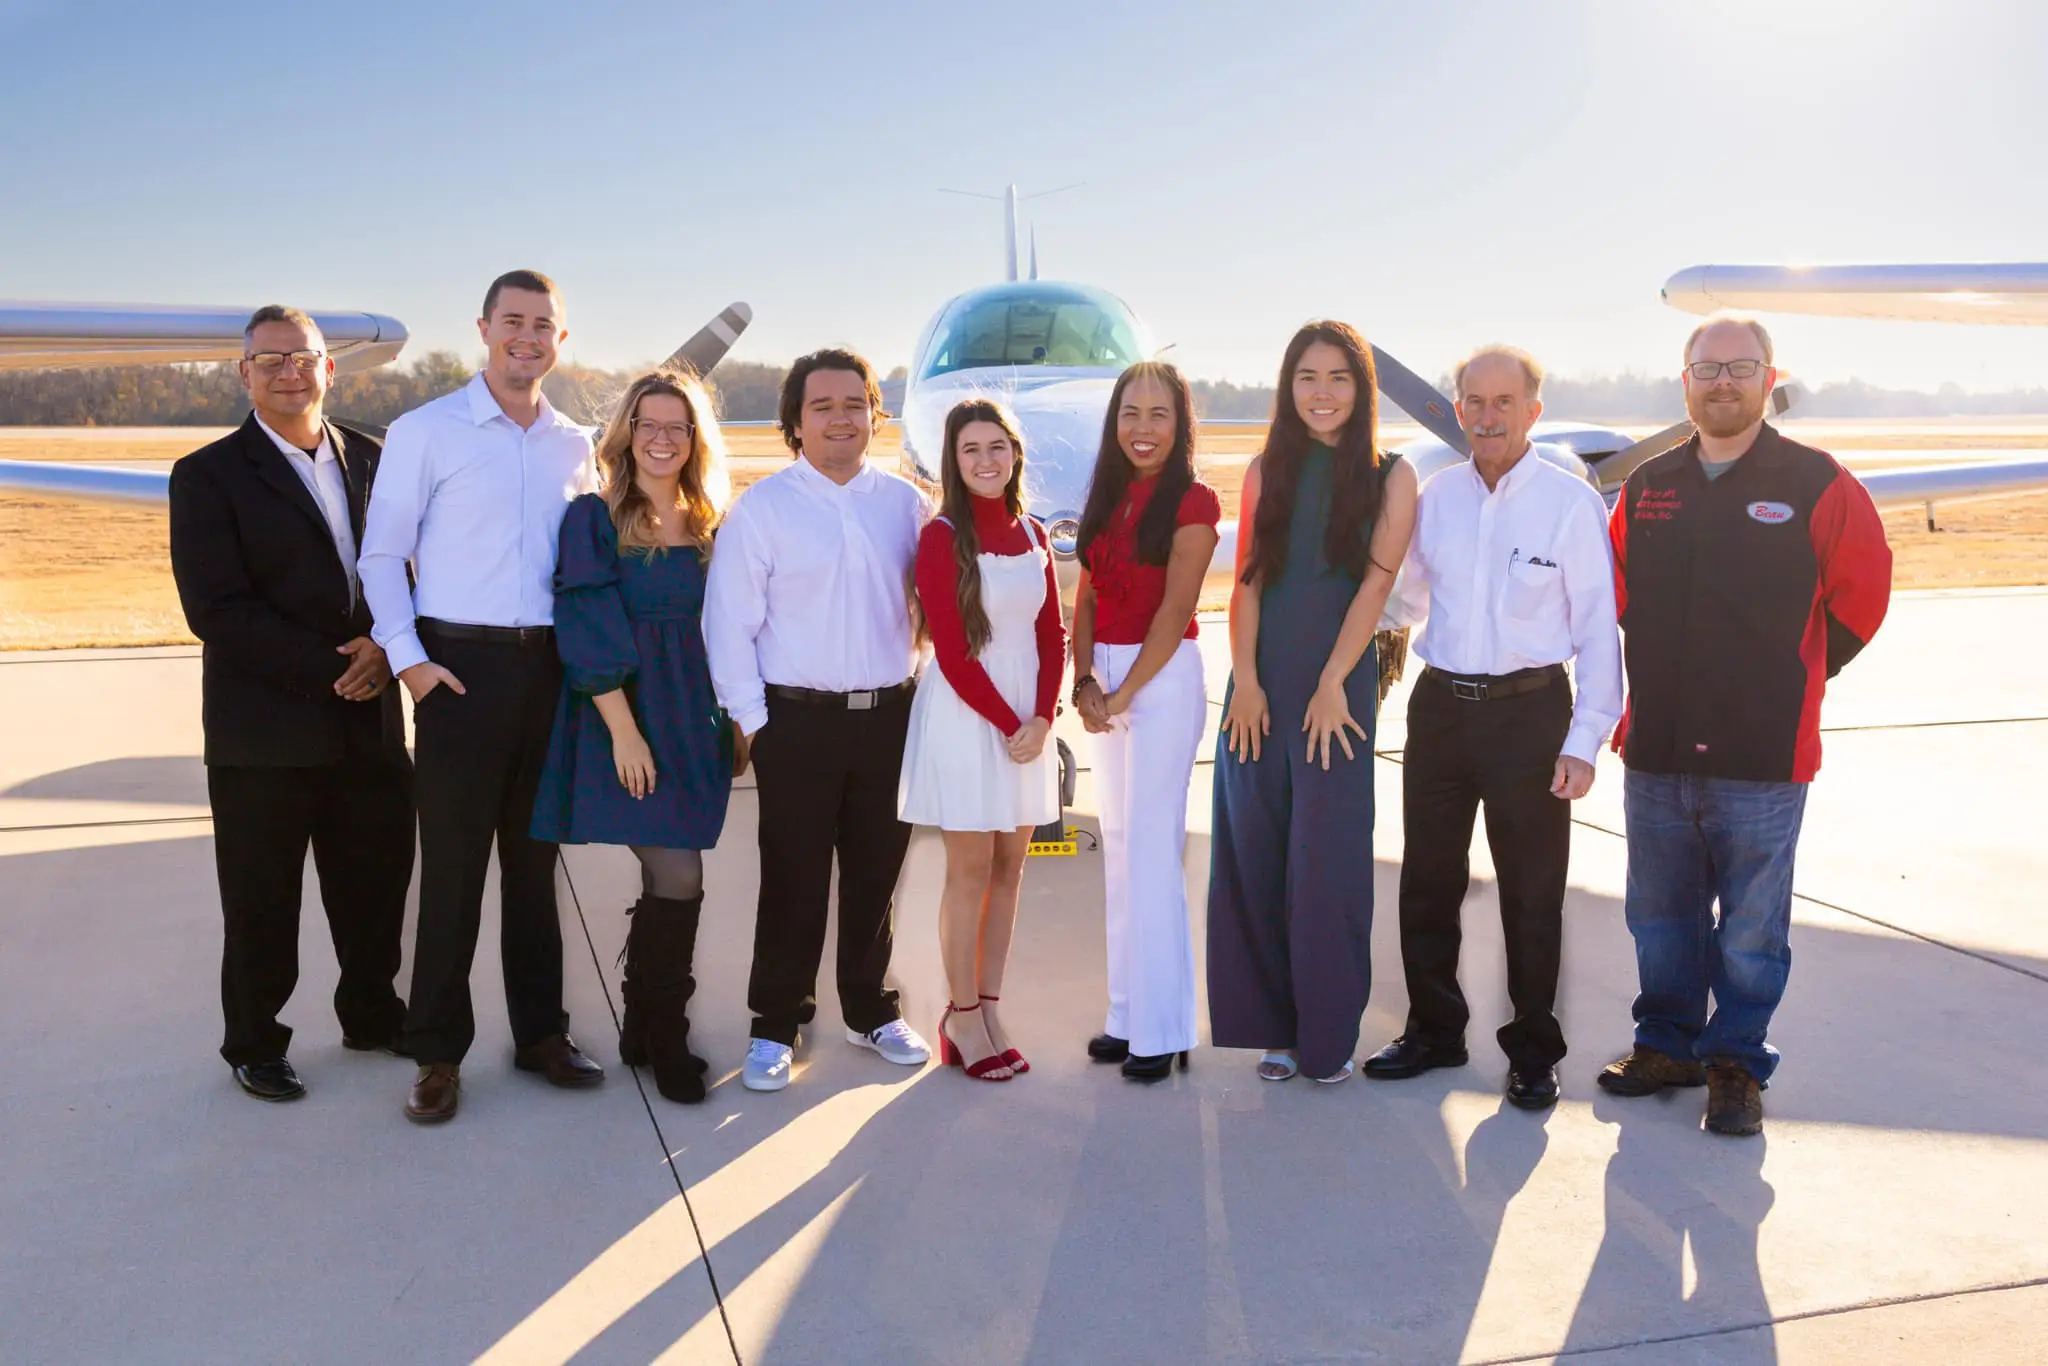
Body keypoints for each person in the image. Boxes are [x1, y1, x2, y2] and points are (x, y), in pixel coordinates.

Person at [1600, 313, 1891, 1137]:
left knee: (1754, 929)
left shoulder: (1818, 482)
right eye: (1707, 368)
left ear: (1770, 378)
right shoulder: (1648, 486)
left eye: (1740, 366)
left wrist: (1794, 676)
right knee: (1660, 915)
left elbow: (1863, 594)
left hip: (1765, 751)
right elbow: (1611, 593)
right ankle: (1665, 1044)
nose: (1722, 381)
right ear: (1684, 381)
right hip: (1657, 745)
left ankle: (1735, 1064)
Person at [358, 270, 602, 1124]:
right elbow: (381, 556)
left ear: (560, 340)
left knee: (535, 870)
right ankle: (436, 1052)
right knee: (454, 874)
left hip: (550, 675)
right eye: (513, 321)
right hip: (457, 671)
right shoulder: (426, 432)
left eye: (543, 325)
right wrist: (410, 663)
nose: (527, 337)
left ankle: (541, 1035)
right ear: (484, 328)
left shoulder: (576, 444)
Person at [1360, 345, 1620, 1109]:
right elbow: (1403, 600)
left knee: (1532, 895)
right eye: (1474, 401)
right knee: (1426, 883)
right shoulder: (1435, 497)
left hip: (1530, 716)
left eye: (1504, 402)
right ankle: (1434, 1031)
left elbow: (1599, 630)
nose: (1487, 416)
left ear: (1533, 412)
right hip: (1440, 710)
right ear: (1458, 409)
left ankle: (1534, 1051)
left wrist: (1584, 741)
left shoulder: (1570, 504)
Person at [168, 305, 414, 1102]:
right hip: (264, 731)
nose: (288, 373)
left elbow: (413, 568)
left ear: (329, 369)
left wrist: (386, 647)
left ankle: (372, 1015)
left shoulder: (376, 459)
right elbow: (216, 608)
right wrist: (336, 669)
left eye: (302, 358)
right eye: (270, 360)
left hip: (371, 723)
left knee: (376, 887)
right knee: (261, 900)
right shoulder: (206, 475)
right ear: (244, 374)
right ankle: (255, 1043)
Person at [703, 348, 934, 1092]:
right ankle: (776, 1024)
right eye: (822, 406)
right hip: (794, 724)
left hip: (888, 719)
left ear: (875, 415)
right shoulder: (763, 509)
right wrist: (755, 724)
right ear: (795, 423)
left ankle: (869, 1011)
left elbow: (933, 611)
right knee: (793, 882)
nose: (840, 418)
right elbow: (728, 625)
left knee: (876, 877)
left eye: (853, 404)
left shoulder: (906, 506)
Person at [1208, 321, 1419, 1086]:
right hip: (1257, 688)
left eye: (1338, 377)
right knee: (1256, 854)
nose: (1322, 393)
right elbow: (1248, 583)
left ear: (1362, 389)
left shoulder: (1393, 475)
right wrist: (1245, 680)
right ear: (1287, 386)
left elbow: (1375, 586)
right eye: (1307, 377)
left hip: (1338, 688)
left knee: (1327, 864)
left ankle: (1326, 1037)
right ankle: (1275, 1030)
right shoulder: (1266, 470)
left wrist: (1334, 682)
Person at [530, 371, 738, 1104]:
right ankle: (667, 1034)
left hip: (693, 718)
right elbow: (586, 627)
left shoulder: (711, 523)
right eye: (648, 424)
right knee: (679, 872)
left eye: (677, 426)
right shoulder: (595, 517)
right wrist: (624, 734)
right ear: (625, 434)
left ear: (694, 439)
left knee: (668, 876)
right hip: (622, 715)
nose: (661, 438)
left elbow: (732, 627)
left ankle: (643, 1029)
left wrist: (735, 719)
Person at [899, 399, 1065, 1081]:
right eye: (971, 449)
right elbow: (953, 650)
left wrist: (1043, 718)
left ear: (1015, 454)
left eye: (997, 446)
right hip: (970, 718)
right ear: (954, 460)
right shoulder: (941, 538)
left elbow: (1051, 634)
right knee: (969, 871)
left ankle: (990, 1009)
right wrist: (1009, 724)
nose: (986, 460)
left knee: (1009, 870)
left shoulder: (1034, 532)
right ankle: (960, 1016)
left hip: (1029, 721)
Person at [1070, 360, 1220, 1081]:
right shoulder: (1104, 494)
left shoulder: (1195, 500)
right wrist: (1084, 680)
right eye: (1131, 412)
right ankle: (1127, 1015)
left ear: (1180, 423)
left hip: (1160, 681)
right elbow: (1087, 599)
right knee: (1122, 848)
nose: (1143, 427)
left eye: (1160, 413)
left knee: (1155, 852)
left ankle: (1163, 1031)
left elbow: (1176, 609)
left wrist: (1125, 690)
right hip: (1108, 680)